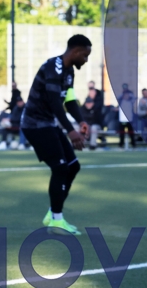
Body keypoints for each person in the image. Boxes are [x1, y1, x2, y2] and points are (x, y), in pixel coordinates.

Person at [20, 35, 93, 234]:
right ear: (76, 51)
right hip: (34, 125)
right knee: (60, 168)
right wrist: (71, 131)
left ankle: (53, 213)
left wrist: (81, 121)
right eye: (85, 55)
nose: (86, 60)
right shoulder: (53, 67)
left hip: (48, 124)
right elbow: (54, 103)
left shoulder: (69, 71)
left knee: (73, 166)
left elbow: (69, 100)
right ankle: (56, 219)